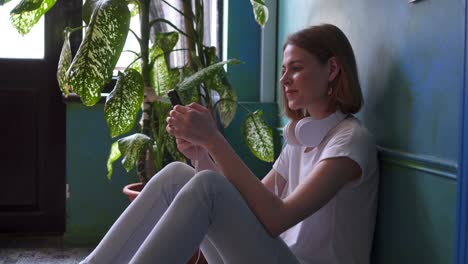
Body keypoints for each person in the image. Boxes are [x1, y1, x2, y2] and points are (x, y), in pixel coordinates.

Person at [80, 23, 379, 264]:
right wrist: (203, 155)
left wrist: (214, 139)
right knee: (178, 175)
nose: (285, 79)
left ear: (333, 70)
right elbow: (251, 204)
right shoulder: (300, 138)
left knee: (208, 186)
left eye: (296, 68)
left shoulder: (350, 141)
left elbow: (276, 218)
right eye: (284, 69)